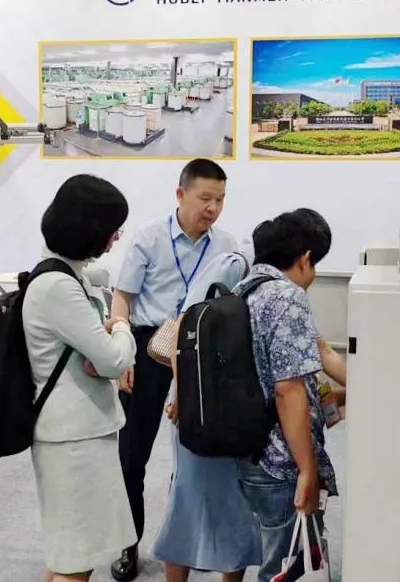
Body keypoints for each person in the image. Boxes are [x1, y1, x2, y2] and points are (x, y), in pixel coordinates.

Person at [110, 158, 239, 582]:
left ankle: (186, 544)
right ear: (181, 194)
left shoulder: (227, 246)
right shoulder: (148, 239)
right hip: (149, 347)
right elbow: (122, 298)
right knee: (133, 453)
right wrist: (123, 356)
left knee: (195, 455)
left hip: (201, 352)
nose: (213, 209)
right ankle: (127, 544)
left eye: (220, 200)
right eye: (205, 198)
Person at [22, 174, 137, 582]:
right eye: (113, 228)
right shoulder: (58, 286)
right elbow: (112, 360)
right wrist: (121, 325)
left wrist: (104, 347)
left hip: (76, 431)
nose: (116, 237)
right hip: (73, 438)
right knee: (76, 562)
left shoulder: (66, 276)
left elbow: (98, 355)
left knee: (67, 557)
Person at [235, 208, 338, 582]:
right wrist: (307, 470)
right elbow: (288, 389)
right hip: (280, 458)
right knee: (286, 565)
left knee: (275, 551)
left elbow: (321, 352)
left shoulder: (246, 290)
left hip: (250, 449)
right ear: (305, 258)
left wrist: (373, 383)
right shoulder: (287, 297)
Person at [152, 239, 262, 582]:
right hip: (198, 403)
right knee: (187, 498)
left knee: (234, 505)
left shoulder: (268, 282)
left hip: (230, 403)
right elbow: (184, 329)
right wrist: (183, 393)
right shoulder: (233, 265)